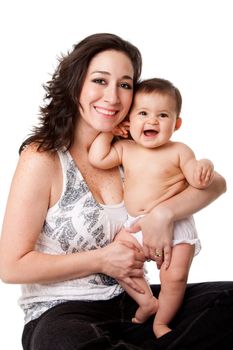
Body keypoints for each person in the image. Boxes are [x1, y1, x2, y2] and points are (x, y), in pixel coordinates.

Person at [0, 33, 232, 350]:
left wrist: (164, 214)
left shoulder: (132, 148)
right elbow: (11, 266)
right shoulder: (43, 158)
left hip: (137, 304)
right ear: (76, 84)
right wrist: (103, 260)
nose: (112, 96)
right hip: (64, 313)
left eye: (124, 84)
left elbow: (216, 183)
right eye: (100, 80)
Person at [88, 77, 214, 338]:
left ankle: (161, 323)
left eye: (163, 115)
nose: (152, 121)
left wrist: (204, 164)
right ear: (129, 121)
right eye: (143, 113)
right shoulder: (125, 148)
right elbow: (97, 158)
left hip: (175, 226)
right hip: (136, 225)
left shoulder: (180, 150)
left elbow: (196, 178)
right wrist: (110, 131)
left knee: (175, 278)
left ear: (176, 124)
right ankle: (147, 301)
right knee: (118, 259)